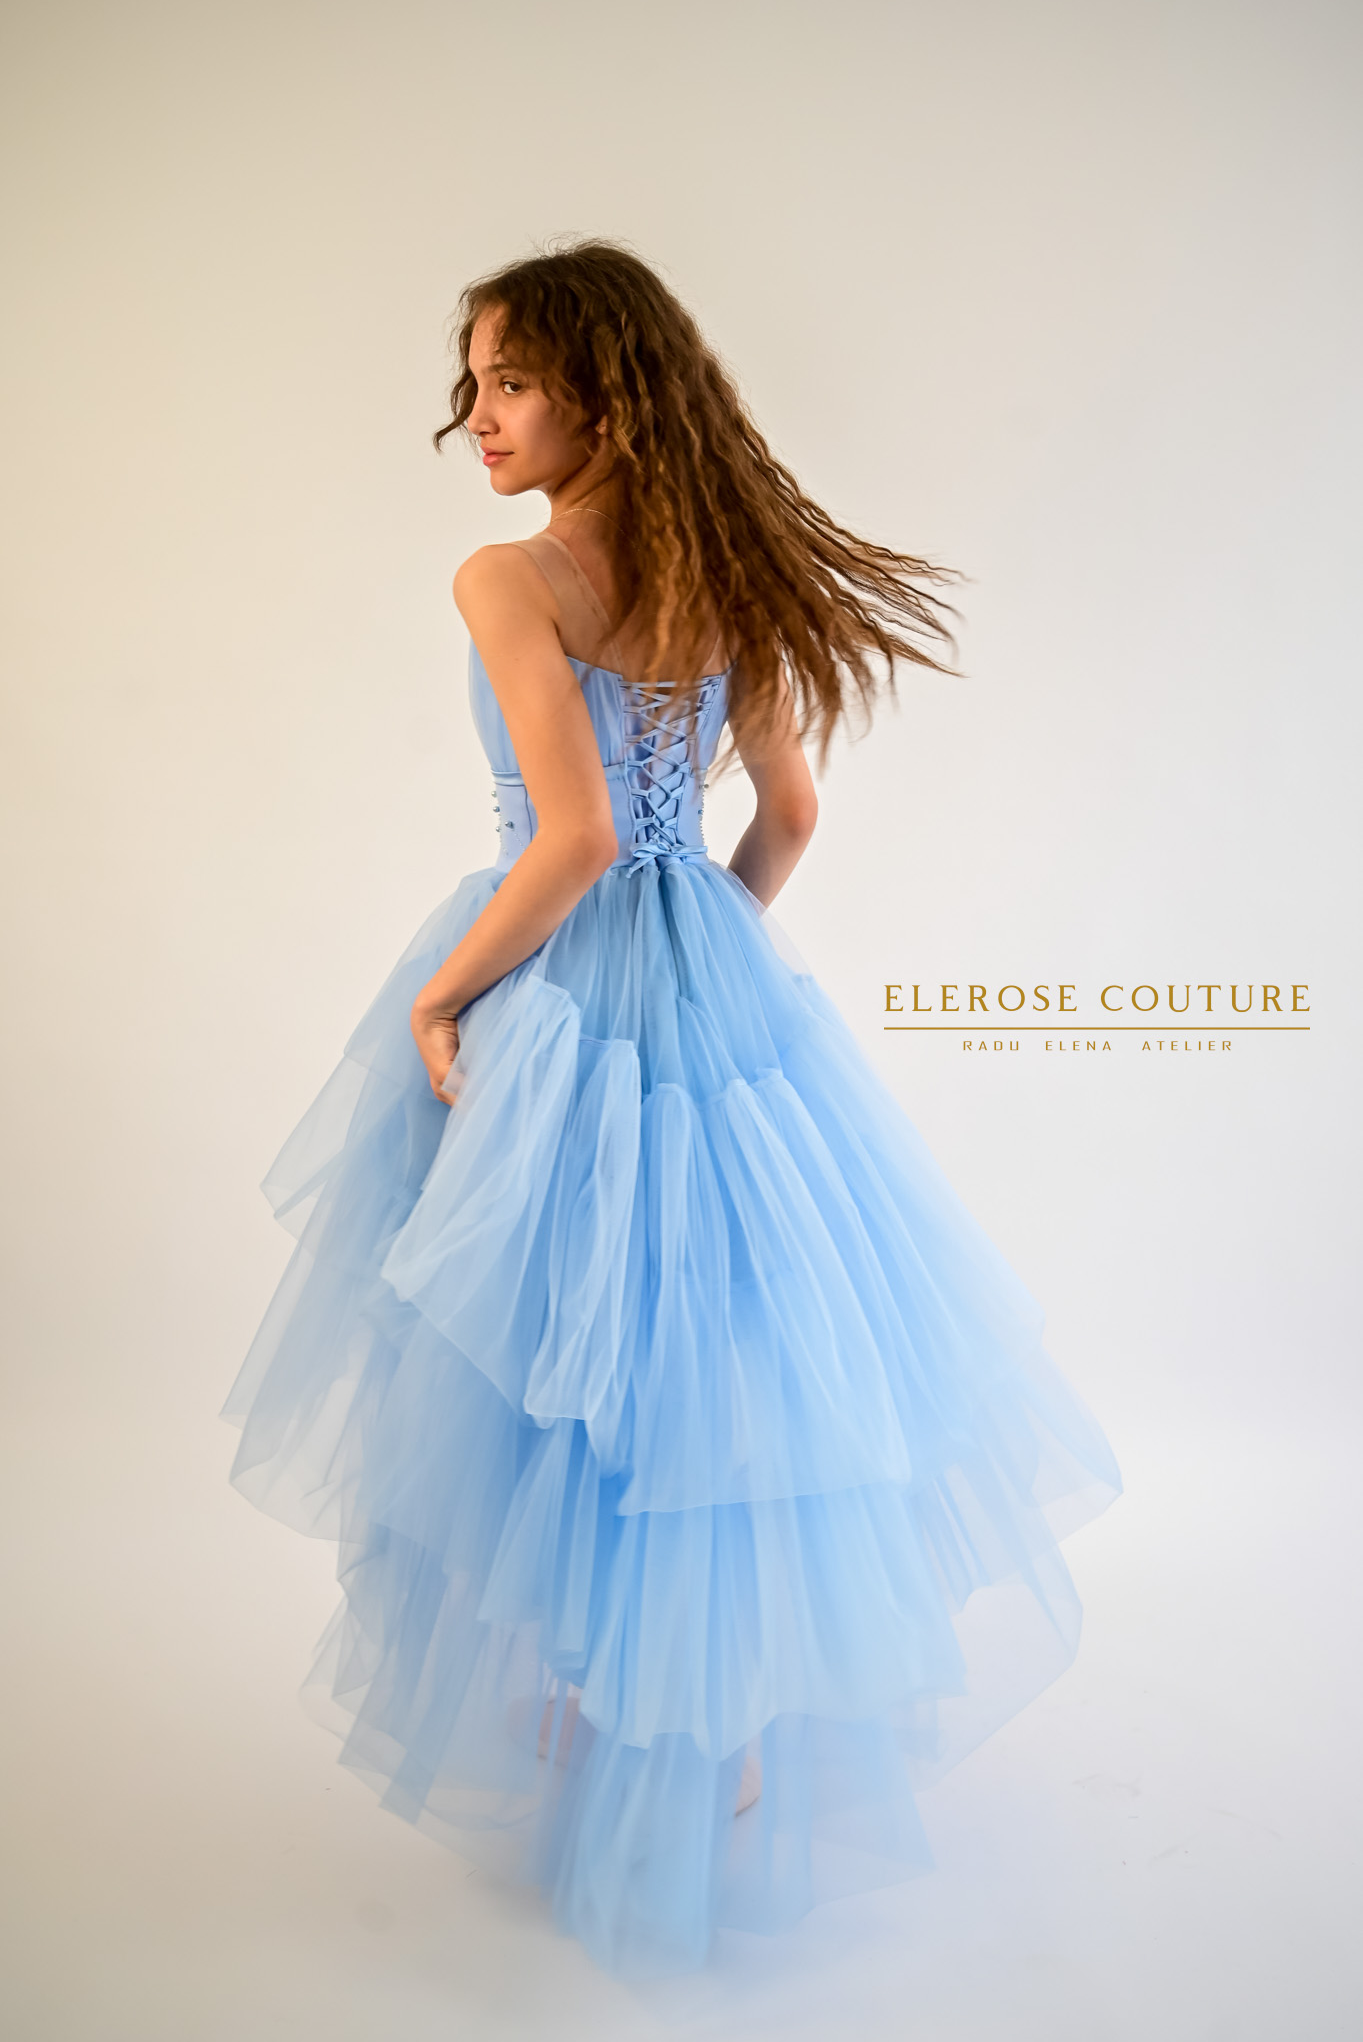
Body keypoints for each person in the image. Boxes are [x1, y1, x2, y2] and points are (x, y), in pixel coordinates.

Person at [222, 240, 1121, 1981]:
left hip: (558, 980)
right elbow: (786, 814)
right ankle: (718, 1709)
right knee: (714, 1326)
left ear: (607, 396)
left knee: (558, 1328)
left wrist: (439, 996)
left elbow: (567, 840)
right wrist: (707, 948)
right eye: (475, 383)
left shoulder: (512, 579)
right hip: (707, 961)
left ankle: (603, 1690)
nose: (477, 418)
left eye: (512, 382)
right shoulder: (729, 571)